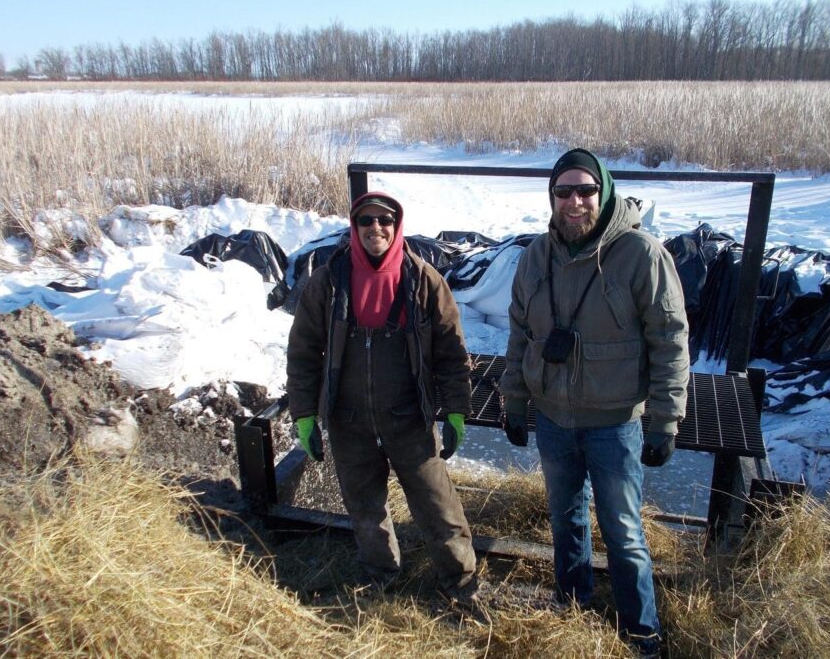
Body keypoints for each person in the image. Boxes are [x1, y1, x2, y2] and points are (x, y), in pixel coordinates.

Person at [499, 148, 689, 654]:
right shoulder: (535, 256)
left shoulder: (641, 254)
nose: (575, 201)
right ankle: (574, 610)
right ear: (552, 197)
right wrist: (515, 401)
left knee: (623, 530)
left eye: (585, 190)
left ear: (602, 192)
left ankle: (641, 633)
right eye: (564, 191)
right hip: (555, 419)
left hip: (614, 423)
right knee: (565, 518)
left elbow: (670, 339)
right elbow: (521, 334)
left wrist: (665, 421)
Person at [286, 191, 479, 605]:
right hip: (348, 419)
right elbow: (303, 352)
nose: (376, 228)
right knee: (365, 508)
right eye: (366, 221)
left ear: (397, 225)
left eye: (384, 220)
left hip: (408, 419)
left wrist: (457, 410)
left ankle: (461, 586)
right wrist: (305, 414)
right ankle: (380, 577)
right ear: (354, 229)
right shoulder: (328, 280)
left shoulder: (424, 279)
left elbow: (451, 352)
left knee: (439, 509)